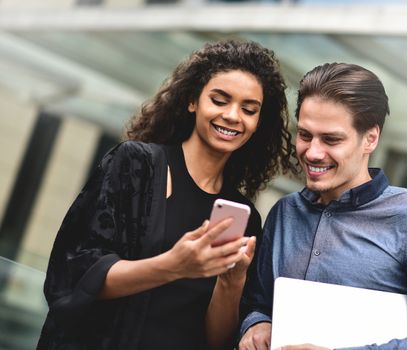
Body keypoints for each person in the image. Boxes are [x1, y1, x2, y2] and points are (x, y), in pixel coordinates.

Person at [37, 40, 295, 350]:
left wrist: (232, 282)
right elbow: (74, 274)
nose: (232, 116)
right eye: (219, 100)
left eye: (248, 109)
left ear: (257, 123)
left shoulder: (244, 217)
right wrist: (173, 265)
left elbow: (215, 341)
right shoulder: (135, 164)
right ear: (191, 101)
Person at [239, 63, 407, 349]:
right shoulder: (285, 213)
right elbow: (259, 303)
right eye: (305, 135)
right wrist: (257, 324)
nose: (313, 152)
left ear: (370, 139)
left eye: (331, 139)